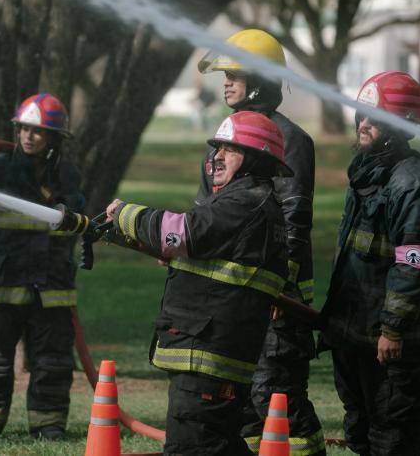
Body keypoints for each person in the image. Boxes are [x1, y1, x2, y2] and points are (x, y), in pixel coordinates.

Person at [104, 111, 293, 456]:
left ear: (255, 159)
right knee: (218, 445)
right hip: (214, 350)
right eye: (217, 147)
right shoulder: (253, 203)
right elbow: (213, 249)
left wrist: (126, 215)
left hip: (208, 352)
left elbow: (184, 232)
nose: (217, 157)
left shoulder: (244, 203)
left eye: (230, 149)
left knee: (191, 448)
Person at [197, 29, 324, 455]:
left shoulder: (291, 141)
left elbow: (292, 224)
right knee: (242, 397)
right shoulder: (223, 141)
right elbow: (207, 216)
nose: (226, 82)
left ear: (260, 80)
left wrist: (276, 286)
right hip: (233, 295)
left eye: (234, 73)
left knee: (277, 394)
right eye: (224, 75)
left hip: (277, 300)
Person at [318, 71, 420, 456]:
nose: (365, 122)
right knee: (361, 430)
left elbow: (414, 265)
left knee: (394, 436)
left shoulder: (413, 183)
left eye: (376, 116)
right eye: (362, 114)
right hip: (354, 332)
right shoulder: (366, 174)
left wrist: (393, 329)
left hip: (387, 341)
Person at [0, 93, 86, 440]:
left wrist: (68, 210)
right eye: (24, 129)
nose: (29, 137)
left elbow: (77, 212)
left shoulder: (66, 175)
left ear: (54, 138)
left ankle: (49, 426)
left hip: (49, 285)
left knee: (52, 362)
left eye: (38, 131)